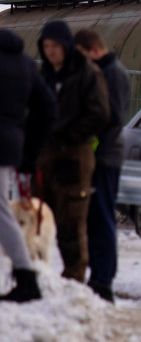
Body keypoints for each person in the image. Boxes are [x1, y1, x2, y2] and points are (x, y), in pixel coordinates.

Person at [36, 20, 110, 283]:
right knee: (39, 219)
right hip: (45, 157)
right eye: (46, 46)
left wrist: (69, 134)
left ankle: (73, 281)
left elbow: (100, 113)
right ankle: (38, 278)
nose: (51, 51)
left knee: (70, 222)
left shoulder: (87, 74)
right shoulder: (44, 76)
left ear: (66, 46)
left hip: (74, 156)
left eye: (55, 45)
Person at [0, 29, 57, 302]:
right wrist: (28, 145)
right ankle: (25, 277)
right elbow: (48, 108)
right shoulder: (25, 64)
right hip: (10, 146)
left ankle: (26, 278)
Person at [75, 28, 130, 303]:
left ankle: (103, 279)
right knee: (96, 218)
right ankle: (100, 276)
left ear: (93, 50)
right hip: (101, 155)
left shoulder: (113, 74)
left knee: (103, 217)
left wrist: (93, 149)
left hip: (105, 158)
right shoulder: (104, 72)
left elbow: (113, 119)